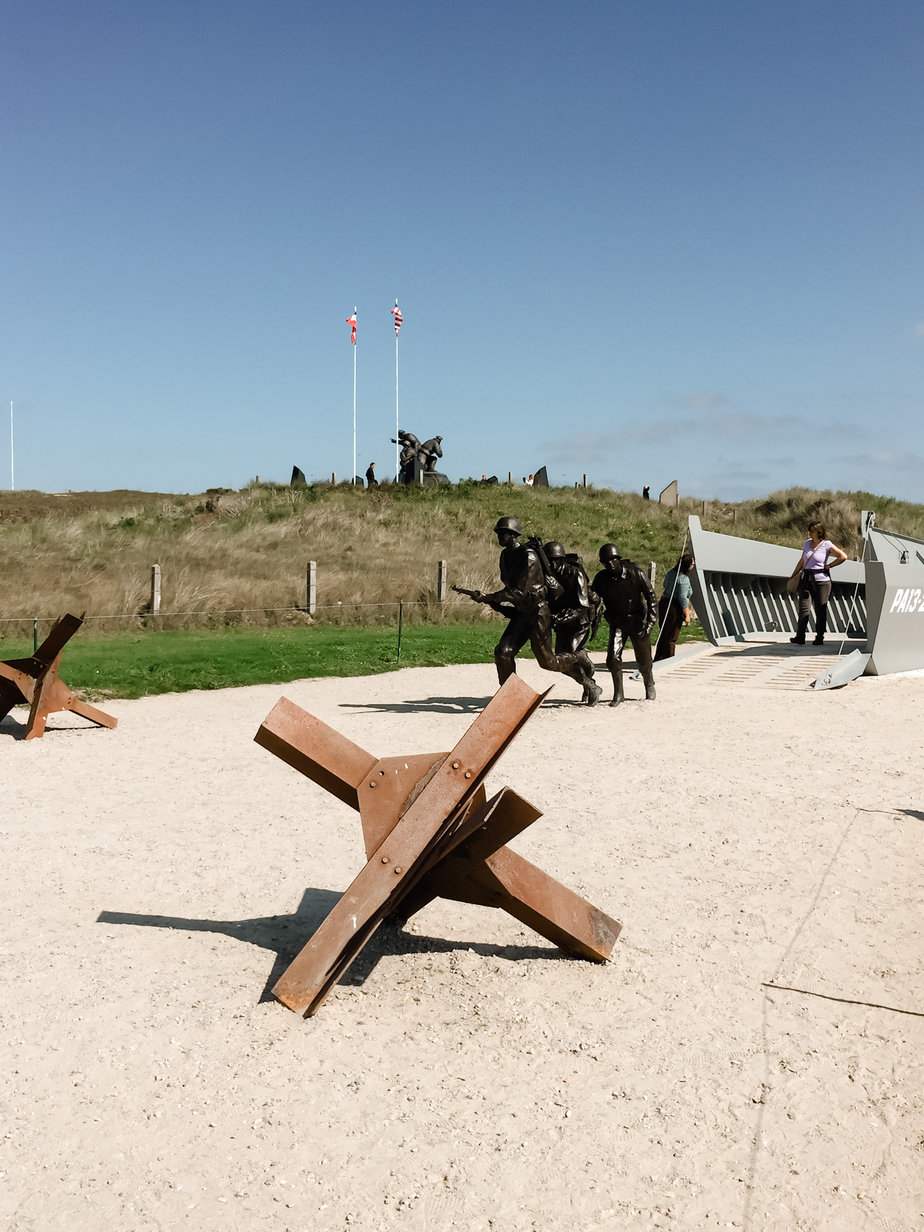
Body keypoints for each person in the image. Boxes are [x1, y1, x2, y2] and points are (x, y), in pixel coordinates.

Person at [462, 517, 600, 702]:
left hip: (538, 613)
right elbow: (509, 584)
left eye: (502, 533)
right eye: (498, 533)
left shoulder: (528, 556)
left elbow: (519, 591)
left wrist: (489, 597)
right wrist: (493, 601)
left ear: (512, 535)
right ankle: (510, 697)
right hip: (522, 613)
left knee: (548, 662)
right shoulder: (505, 555)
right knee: (502, 652)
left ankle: (579, 661)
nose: (498, 536)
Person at [591, 543, 657, 705]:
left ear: (618, 559)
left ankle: (649, 682)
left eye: (612, 560)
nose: (609, 564)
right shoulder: (602, 578)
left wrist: (650, 623)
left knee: (644, 660)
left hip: (637, 621)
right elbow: (594, 597)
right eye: (605, 562)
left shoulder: (636, 573)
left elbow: (652, 598)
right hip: (618, 622)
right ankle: (618, 693)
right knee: (613, 658)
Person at [543, 542, 601, 703]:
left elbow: (582, 606)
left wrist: (562, 618)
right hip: (562, 623)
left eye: (556, 560)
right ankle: (589, 683)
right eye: (550, 561)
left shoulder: (576, 574)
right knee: (559, 663)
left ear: (562, 560)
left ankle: (586, 663)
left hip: (579, 622)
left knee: (571, 654)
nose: (553, 564)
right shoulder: (548, 576)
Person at [788, 520, 848, 645]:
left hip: (822, 581)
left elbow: (843, 556)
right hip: (806, 579)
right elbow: (802, 561)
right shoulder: (807, 544)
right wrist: (793, 575)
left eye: (812, 531)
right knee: (804, 609)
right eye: (809, 530)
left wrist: (829, 566)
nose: (809, 533)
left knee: (820, 609)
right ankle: (800, 636)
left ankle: (819, 637)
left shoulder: (827, 544)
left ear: (818, 532)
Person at [654, 554, 695, 661]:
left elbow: (664, 585)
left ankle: (658, 658)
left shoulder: (671, 573)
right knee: (672, 635)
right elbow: (682, 598)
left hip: (664, 603)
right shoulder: (683, 579)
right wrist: (687, 614)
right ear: (688, 565)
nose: (694, 565)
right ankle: (668, 659)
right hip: (674, 607)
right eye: (692, 563)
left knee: (664, 632)